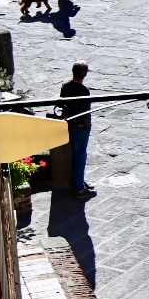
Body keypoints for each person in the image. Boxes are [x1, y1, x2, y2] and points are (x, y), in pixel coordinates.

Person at [59, 61, 97, 198]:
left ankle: (80, 182)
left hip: (68, 124)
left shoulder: (65, 86)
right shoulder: (84, 91)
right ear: (85, 74)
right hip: (80, 127)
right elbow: (86, 112)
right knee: (80, 157)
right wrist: (87, 127)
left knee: (75, 155)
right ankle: (79, 188)